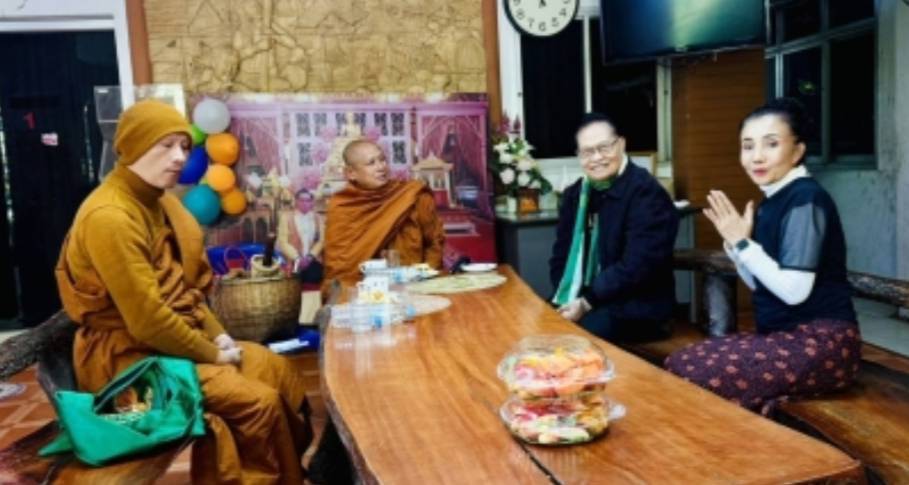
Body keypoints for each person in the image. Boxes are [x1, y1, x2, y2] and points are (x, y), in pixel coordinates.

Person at [54, 100, 311, 484]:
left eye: (185, 146)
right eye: (166, 146)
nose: (179, 157)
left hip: (165, 346)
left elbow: (183, 291)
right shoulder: (110, 217)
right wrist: (213, 355)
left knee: (273, 368)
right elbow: (148, 321)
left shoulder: (158, 203)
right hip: (127, 367)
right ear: (134, 147)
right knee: (257, 403)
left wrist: (219, 336)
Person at [664, 98, 861, 413]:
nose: (756, 156)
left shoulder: (806, 200)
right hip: (782, 337)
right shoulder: (773, 200)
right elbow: (763, 284)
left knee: (693, 374)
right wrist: (736, 248)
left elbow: (794, 291)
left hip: (824, 344)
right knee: (680, 360)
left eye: (771, 144)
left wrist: (743, 244)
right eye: (748, 146)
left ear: (797, 151)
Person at [550, 112, 678, 342]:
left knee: (574, 340)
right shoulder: (575, 195)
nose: (597, 158)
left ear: (621, 144)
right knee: (540, 323)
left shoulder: (646, 192)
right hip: (586, 298)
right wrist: (569, 297)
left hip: (638, 308)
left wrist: (587, 302)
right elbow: (561, 255)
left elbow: (638, 266)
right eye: (587, 152)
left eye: (604, 148)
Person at [323, 139, 444, 287]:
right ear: (351, 173)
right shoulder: (342, 206)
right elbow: (338, 264)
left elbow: (434, 242)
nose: (381, 167)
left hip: (413, 284)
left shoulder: (413, 196)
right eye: (371, 163)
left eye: (383, 160)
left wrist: (426, 277)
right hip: (362, 288)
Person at [277, 187, 325, 281]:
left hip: (312, 260)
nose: (304, 203)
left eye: (307, 200)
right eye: (301, 200)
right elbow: (283, 242)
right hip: (293, 261)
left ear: (311, 202)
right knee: (294, 280)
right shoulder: (286, 217)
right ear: (296, 201)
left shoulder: (318, 218)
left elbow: (322, 240)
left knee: (315, 278)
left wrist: (310, 257)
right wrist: (297, 258)